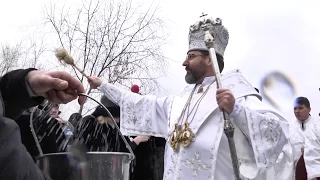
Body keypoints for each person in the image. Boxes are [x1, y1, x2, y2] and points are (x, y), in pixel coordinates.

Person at [88, 17, 290, 179]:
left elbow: (277, 133)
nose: (184, 62)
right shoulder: (181, 99)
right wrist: (104, 86)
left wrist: (236, 110)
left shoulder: (237, 93)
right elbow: (143, 104)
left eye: (191, 56)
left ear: (209, 59)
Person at [0, 68, 85, 180]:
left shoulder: (61, 126)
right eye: (52, 106)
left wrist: (26, 85)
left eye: (56, 107)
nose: (54, 110)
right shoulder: (34, 120)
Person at [289, 97, 320, 179]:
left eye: (301, 108)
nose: (297, 111)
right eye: (295, 108)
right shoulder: (289, 128)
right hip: (295, 171)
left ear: (309, 109)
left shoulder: (317, 125)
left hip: (315, 170)